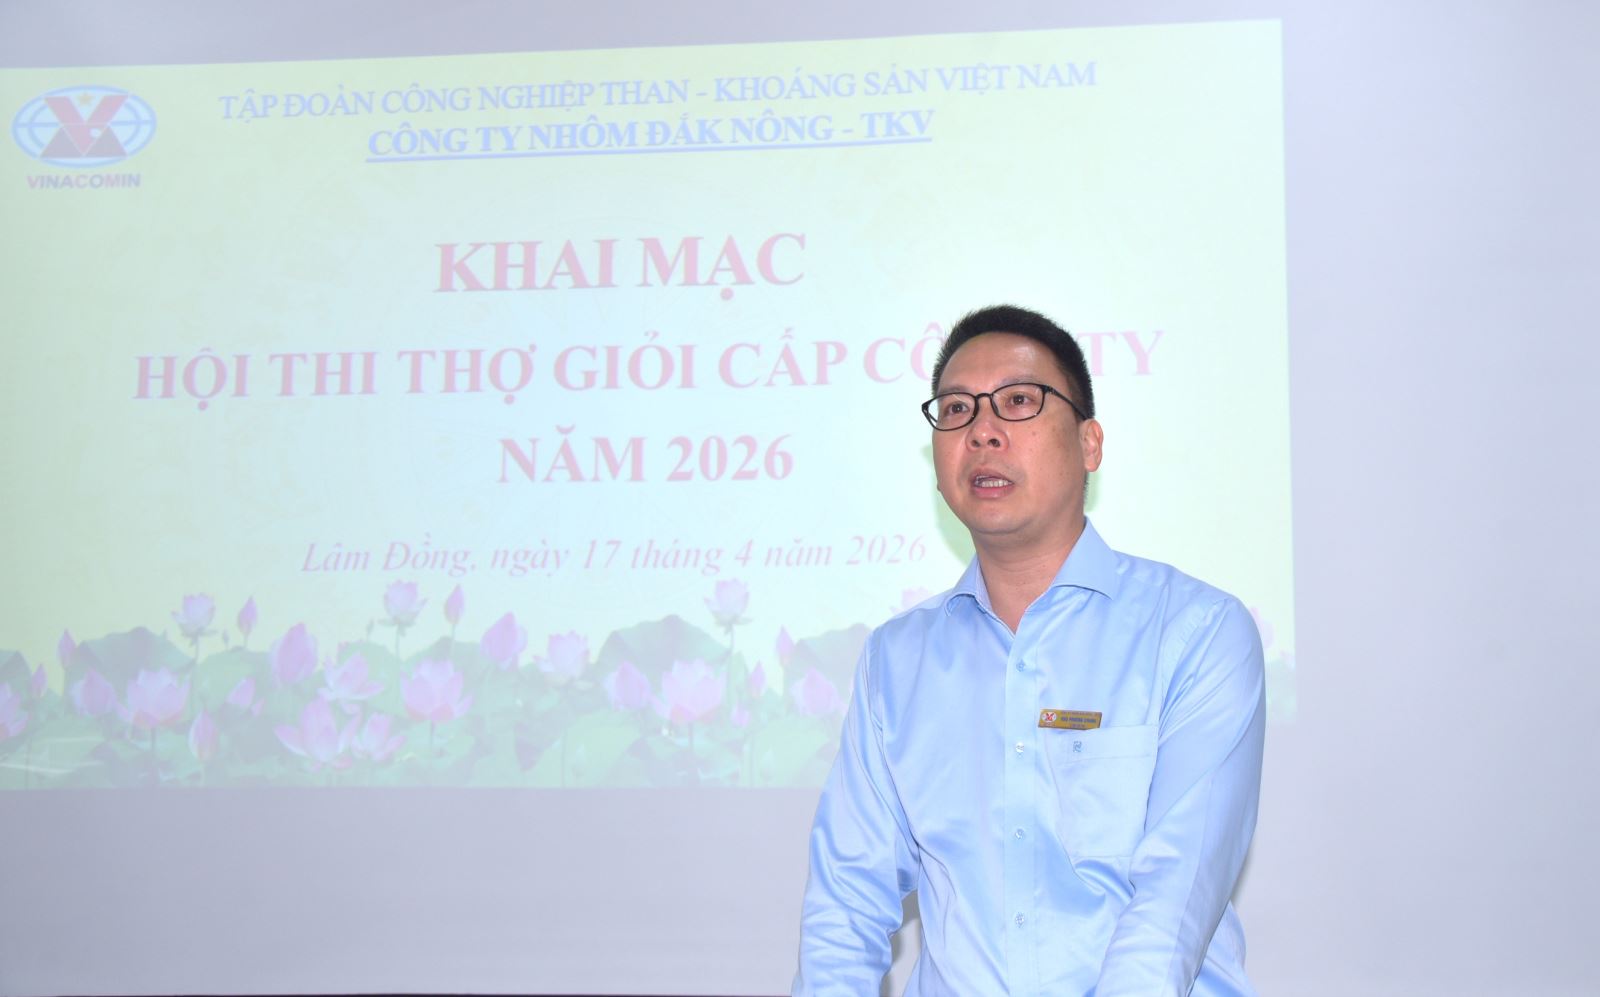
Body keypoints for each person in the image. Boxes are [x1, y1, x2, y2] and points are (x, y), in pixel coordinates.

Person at [793, 305, 1266, 996]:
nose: (981, 430)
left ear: (1089, 443)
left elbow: (1173, 903)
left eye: (1018, 401)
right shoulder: (896, 661)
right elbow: (845, 903)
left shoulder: (1197, 632)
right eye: (956, 409)